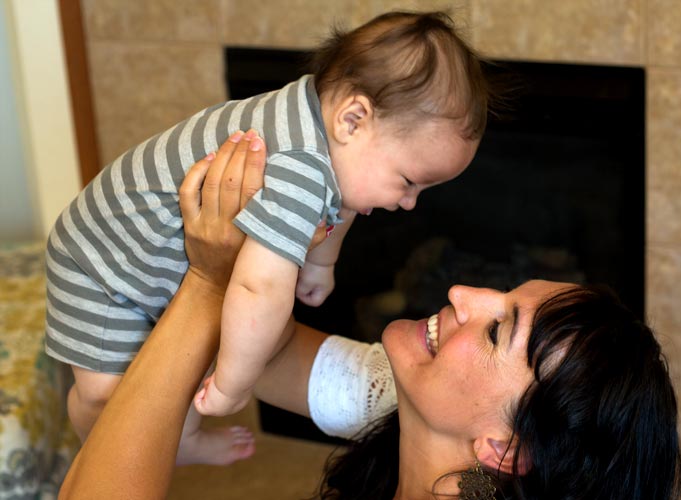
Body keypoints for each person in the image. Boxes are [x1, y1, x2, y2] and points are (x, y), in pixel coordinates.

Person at [59, 135, 681, 500]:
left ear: (501, 448)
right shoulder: (396, 401)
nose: (464, 292)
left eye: (498, 330)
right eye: (503, 293)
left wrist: (206, 280)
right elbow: (268, 353)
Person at [44, 10, 489, 464]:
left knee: (165, 375)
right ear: (353, 120)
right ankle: (102, 464)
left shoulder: (321, 123)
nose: (411, 202)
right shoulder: (301, 166)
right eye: (409, 181)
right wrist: (231, 385)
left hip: (152, 266)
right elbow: (258, 287)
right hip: (101, 264)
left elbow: (345, 203)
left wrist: (320, 262)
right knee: (105, 393)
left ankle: (182, 438)